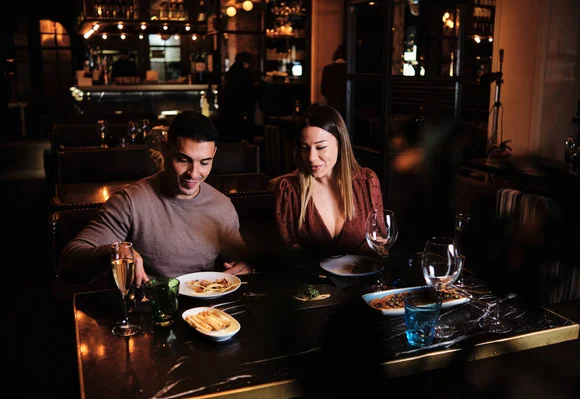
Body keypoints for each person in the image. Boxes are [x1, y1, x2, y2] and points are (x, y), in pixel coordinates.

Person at [58, 111, 252, 288]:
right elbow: (69, 264)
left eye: (204, 162)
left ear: (214, 155)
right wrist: (114, 251)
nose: (194, 173)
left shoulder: (222, 205)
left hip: (207, 314)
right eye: (183, 160)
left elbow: (242, 259)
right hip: (148, 313)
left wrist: (245, 266)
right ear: (164, 149)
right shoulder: (130, 202)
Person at [271, 103, 384, 257]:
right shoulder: (289, 190)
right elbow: (283, 255)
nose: (311, 158)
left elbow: (380, 242)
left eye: (321, 147)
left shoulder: (367, 182)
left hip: (362, 277)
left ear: (340, 143)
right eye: (304, 148)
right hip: (309, 280)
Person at [220, 51, 260, 142]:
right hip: (240, 108)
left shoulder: (232, 72)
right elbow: (248, 93)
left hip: (230, 109)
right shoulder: (244, 74)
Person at [320, 44, 347, 120]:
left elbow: (323, 91)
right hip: (348, 109)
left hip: (332, 109)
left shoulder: (328, 69)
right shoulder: (350, 70)